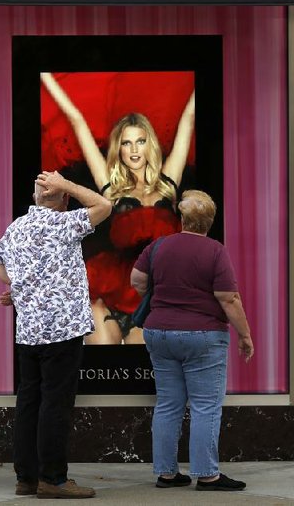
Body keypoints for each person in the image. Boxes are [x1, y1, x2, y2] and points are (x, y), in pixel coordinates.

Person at [41, 72, 196, 344]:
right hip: (109, 291)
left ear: (151, 144)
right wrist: (44, 75)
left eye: (140, 141)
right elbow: (77, 121)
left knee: (142, 371)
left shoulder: (169, 182)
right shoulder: (110, 188)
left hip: (156, 298)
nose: (134, 149)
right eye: (126, 142)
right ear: (119, 149)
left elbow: (188, 118)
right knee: (101, 363)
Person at [0, 171, 111, 499]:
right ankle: (53, 479)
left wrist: (17, 286)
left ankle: (26, 477)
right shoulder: (64, 223)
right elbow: (105, 205)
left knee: (30, 402)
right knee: (55, 403)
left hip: (28, 330)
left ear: (34, 197)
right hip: (62, 328)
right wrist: (67, 184)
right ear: (64, 198)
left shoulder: (16, 228)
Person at [130, 190, 255, 492]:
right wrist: (245, 335)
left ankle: (167, 474)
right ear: (209, 222)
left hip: (158, 333)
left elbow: (137, 281)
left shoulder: (158, 246)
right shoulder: (215, 251)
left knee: (168, 403)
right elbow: (229, 298)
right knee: (205, 405)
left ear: (182, 219)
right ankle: (207, 475)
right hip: (203, 336)